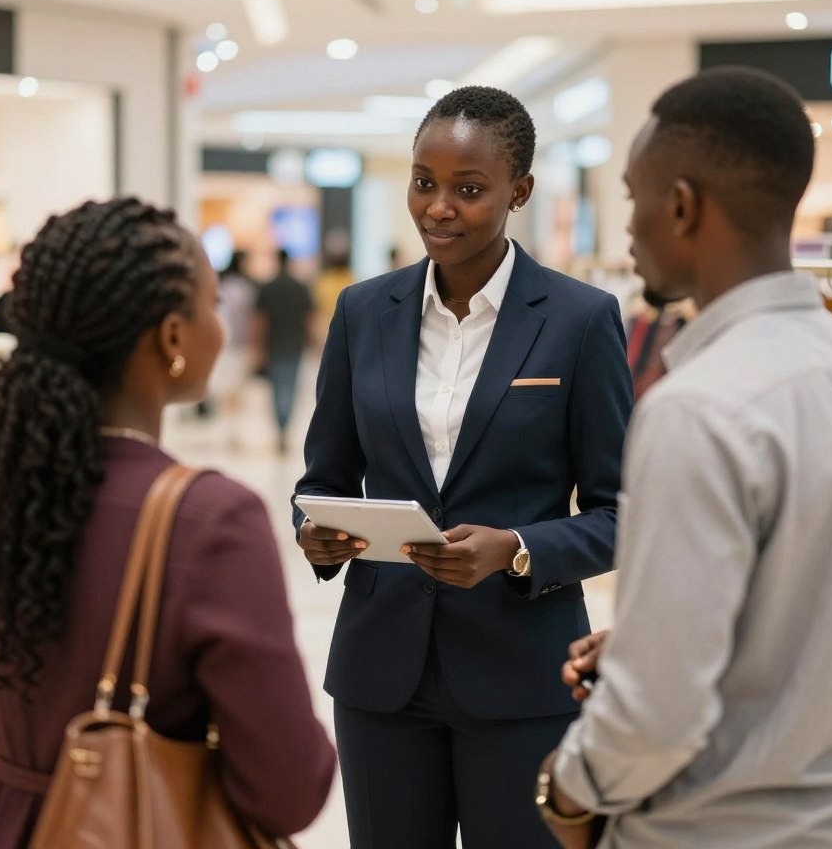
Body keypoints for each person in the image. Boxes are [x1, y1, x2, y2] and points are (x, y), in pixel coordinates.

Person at [539, 67, 832, 849]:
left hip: (707, 828)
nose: (630, 226)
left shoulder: (696, 408)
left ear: (681, 204)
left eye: (634, 196)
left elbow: (656, 714)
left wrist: (567, 789)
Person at [0, 197, 335, 849]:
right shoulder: (211, 521)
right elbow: (288, 787)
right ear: (173, 337)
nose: (220, 326)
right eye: (207, 307)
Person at [294, 86, 633, 849]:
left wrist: (517, 550)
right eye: (423, 182)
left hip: (522, 673)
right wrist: (315, 531)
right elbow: (323, 479)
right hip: (382, 674)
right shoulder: (362, 312)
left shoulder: (579, 320)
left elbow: (623, 511)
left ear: (520, 192)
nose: (438, 207)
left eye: (469, 189)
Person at [255, 248, 315, 452]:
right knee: (291, 388)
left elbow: (260, 321)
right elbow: (309, 319)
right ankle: (284, 428)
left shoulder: (267, 288)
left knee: (277, 388)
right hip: (295, 345)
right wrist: (312, 343)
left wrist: (259, 348)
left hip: (274, 345)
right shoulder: (300, 287)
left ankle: (281, 429)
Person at [211, 249, 257, 436]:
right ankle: (231, 427)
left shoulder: (224, 287)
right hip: (238, 344)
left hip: (229, 344)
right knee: (235, 388)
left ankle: (230, 427)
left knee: (229, 388)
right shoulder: (245, 289)